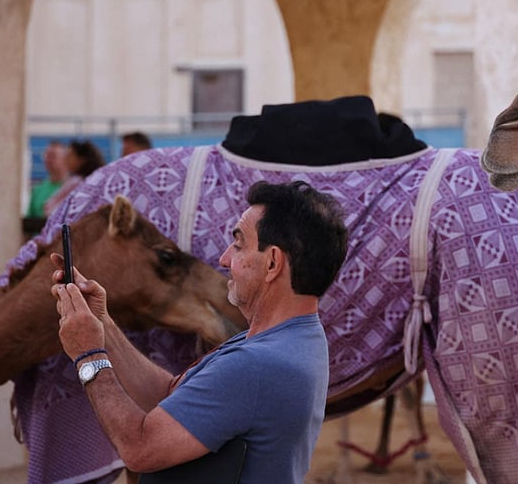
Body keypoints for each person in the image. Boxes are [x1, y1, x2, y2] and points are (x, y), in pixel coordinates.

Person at [51, 181, 348, 482]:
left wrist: (89, 356)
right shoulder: (291, 339)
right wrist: (103, 323)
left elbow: (139, 449)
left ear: (272, 263)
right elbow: (169, 397)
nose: (224, 259)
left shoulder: (257, 365)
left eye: (239, 244)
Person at [43, 139, 106, 216]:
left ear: (81, 160)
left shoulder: (76, 183)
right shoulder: (95, 181)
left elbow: (51, 208)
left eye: (70, 156)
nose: (66, 159)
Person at [26, 140, 69, 218]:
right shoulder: (38, 190)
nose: (48, 159)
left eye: (53, 156)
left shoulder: (74, 188)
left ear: (65, 159)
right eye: (46, 155)